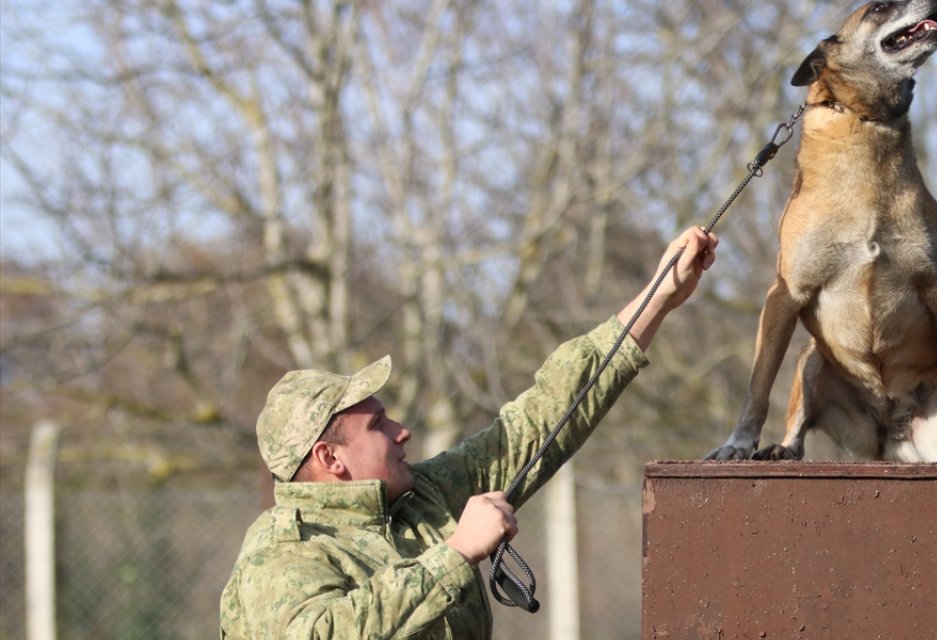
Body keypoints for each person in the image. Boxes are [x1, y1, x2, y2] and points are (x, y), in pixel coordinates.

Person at [220, 227, 718, 639]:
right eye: (377, 425)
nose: (402, 432)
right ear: (330, 459)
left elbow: (539, 421)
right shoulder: (283, 551)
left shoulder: (422, 496)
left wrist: (658, 297)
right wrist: (457, 553)